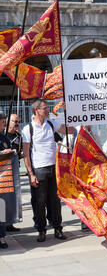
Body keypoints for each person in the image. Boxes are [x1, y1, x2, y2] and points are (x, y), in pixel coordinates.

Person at [22, 99, 73, 243]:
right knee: (39, 202)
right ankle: (41, 230)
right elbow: (26, 154)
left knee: (55, 201)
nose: (47, 110)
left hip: (54, 168)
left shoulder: (51, 124)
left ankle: (58, 229)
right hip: (39, 169)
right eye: (44, 108)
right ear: (36, 110)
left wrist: (68, 113)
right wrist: (31, 174)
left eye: (47, 108)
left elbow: (70, 130)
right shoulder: (28, 129)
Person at [0, 112, 15, 249]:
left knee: (2, 208)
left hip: (3, 179)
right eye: (2, 120)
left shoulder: (4, 138)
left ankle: (2, 236)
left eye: (4, 120)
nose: (4, 123)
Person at [6, 114, 23, 232]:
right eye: (15, 121)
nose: (17, 124)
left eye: (19, 121)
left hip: (14, 170)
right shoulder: (3, 135)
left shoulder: (19, 136)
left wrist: (20, 154)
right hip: (4, 172)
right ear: (8, 122)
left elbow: (21, 152)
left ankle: (10, 223)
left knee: (13, 198)